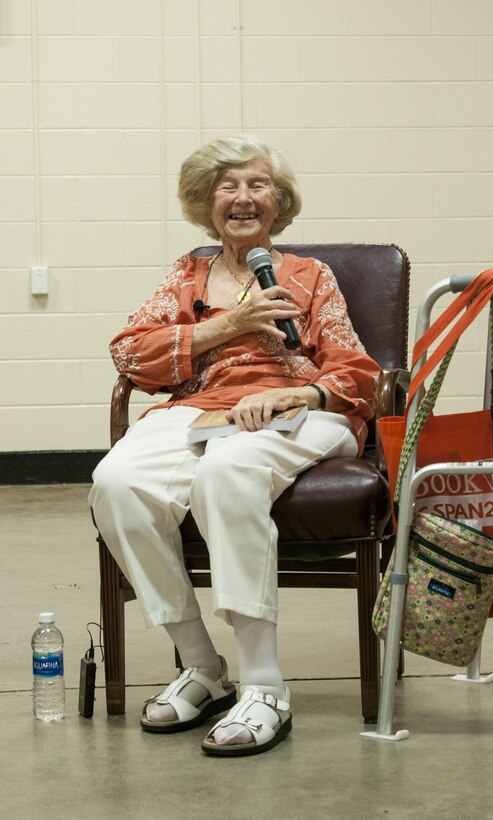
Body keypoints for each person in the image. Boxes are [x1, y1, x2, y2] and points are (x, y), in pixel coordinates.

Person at [89, 135, 380, 757]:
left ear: (279, 202)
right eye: (229, 186)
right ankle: (203, 668)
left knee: (227, 470)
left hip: (298, 409)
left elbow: (357, 370)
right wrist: (226, 326)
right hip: (203, 407)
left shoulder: (308, 276)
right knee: (115, 482)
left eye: (258, 185)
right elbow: (127, 351)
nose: (244, 199)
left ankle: (264, 686)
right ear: (206, 202)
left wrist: (297, 397)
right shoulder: (186, 275)